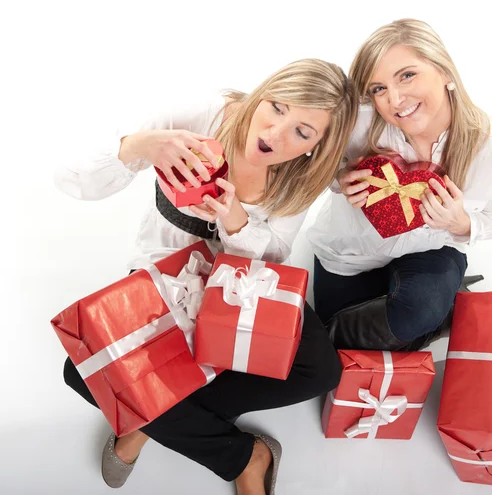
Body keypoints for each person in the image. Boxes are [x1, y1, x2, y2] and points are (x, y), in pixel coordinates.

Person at [55, 58, 358, 494]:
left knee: (320, 369)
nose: (275, 133)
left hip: (241, 284)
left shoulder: (301, 176)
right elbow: (71, 179)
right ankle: (246, 457)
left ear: (316, 146)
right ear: (263, 92)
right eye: (276, 107)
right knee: (80, 371)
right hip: (166, 275)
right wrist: (140, 145)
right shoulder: (201, 116)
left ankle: (147, 420)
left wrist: (235, 221)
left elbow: (273, 256)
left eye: (302, 132)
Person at [308, 19, 492, 351]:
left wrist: (460, 223)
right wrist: (337, 176)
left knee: (409, 316)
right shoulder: (356, 125)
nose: (394, 99)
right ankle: (439, 316)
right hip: (351, 254)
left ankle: (319, 348)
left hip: (430, 251)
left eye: (407, 75)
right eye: (378, 88)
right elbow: (305, 158)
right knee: (354, 344)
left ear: (446, 73)